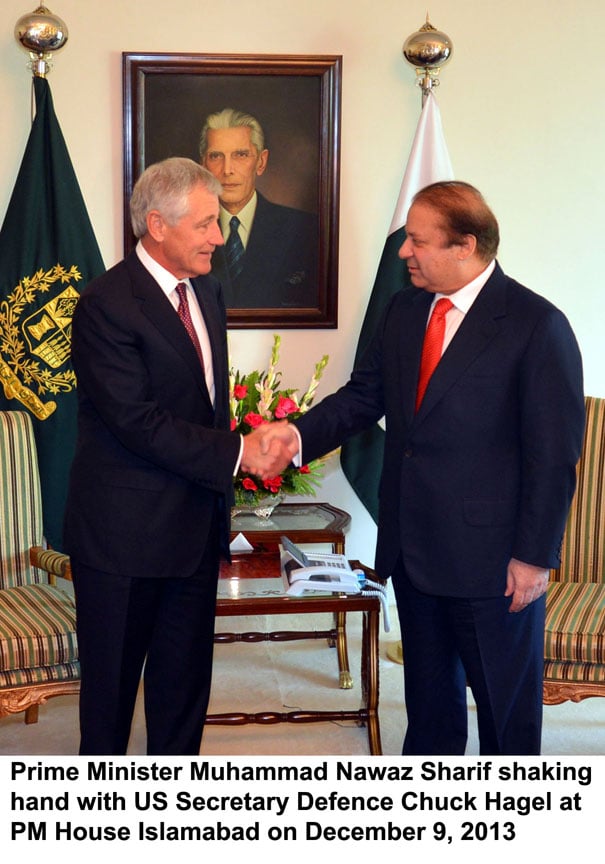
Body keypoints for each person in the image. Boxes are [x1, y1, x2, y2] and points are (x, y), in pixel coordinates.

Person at [259, 181, 585, 755]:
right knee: (429, 716)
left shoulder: (536, 325)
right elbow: (365, 397)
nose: (404, 252)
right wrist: (297, 434)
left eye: (416, 240)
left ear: (465, 245)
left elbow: (553, 457)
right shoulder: (405, 310)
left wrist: (534, 557)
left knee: (506, 724)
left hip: (494, 564)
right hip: (413, 551)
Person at [64, 156, 284, 755]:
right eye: (206, 224)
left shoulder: (208, 290)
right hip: (123, 540)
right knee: (109, 704)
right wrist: (240, 453)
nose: (219, 236)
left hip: (192, 530)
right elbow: (138, 423)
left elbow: (203, 404)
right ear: (157, 225)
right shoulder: (106, 303)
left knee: (183, 695)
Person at [199, 108, 318, 309]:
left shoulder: (305, 229)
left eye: (241, 155)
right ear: (203, 165)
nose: (227, 170)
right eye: (216, 156)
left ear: (261, 162)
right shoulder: (184, 231)